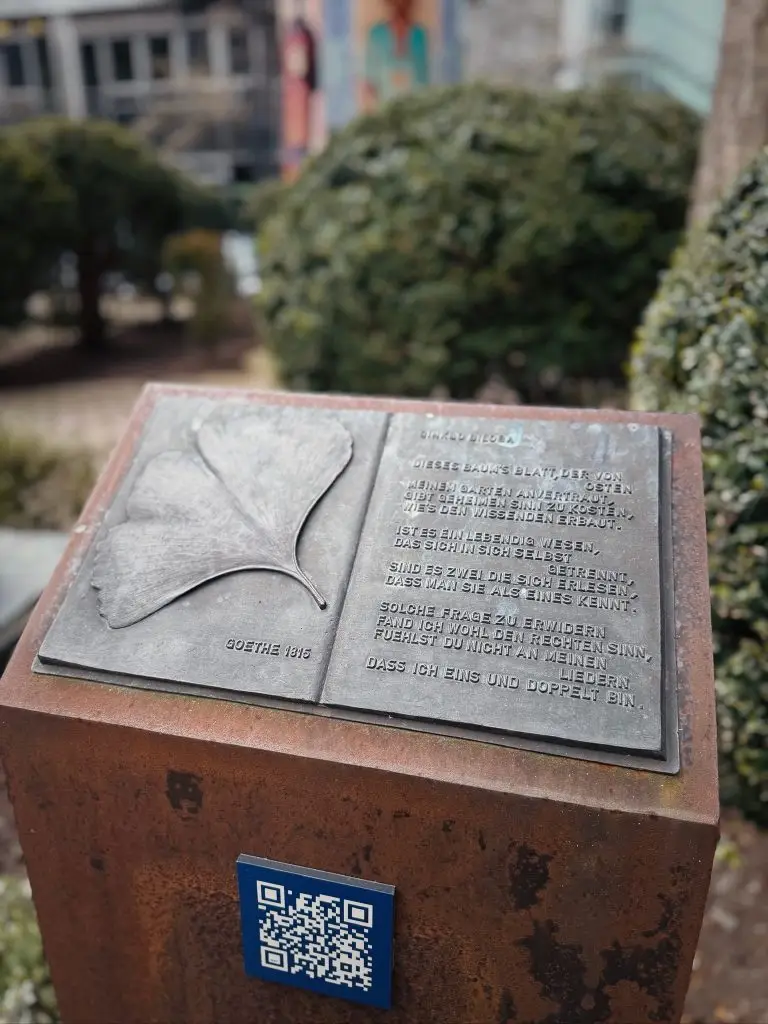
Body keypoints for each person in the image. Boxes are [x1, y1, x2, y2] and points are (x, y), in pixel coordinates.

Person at [363, 0, 429, 109]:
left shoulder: (419, 35)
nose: (400, 4)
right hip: (385, 111)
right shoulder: (376, 35)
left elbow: (424, 81)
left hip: (412, 110)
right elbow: (370, 83)